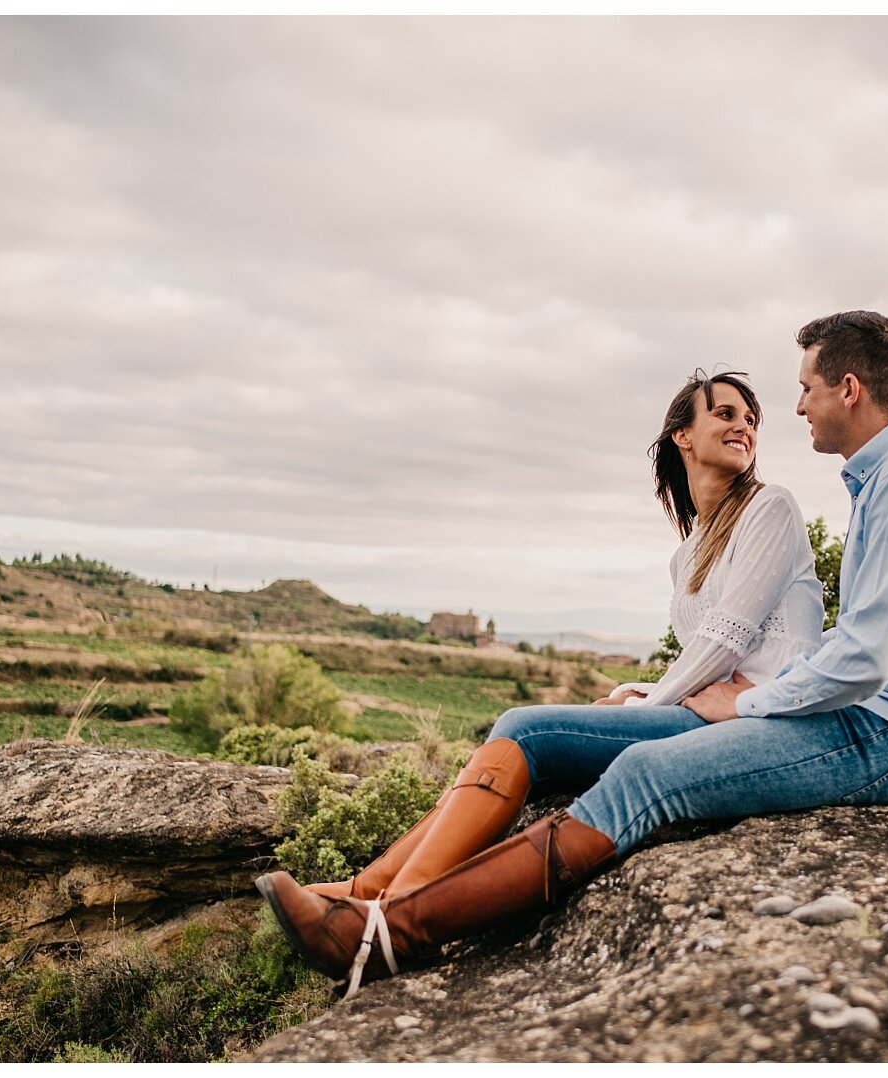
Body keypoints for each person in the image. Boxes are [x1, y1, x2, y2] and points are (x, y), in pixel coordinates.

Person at [261, 311, 888, 997]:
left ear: (849, 388)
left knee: (645, 773)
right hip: (882, 725)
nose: (796, 407)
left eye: (806, 387)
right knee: (572, 743)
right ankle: (371, 909)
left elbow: (867, 655)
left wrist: (741, 702)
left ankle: (389, 935)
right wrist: (666, 691)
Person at [257, 369, 825, 997]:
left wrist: (652, 702)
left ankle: (383, 916)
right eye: (724, 413)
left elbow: (728, 639)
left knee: (527, 727)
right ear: (682, 436)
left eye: (750, 418)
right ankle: (368, 894)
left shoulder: (770, 508)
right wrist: (638, 694)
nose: (743, 425)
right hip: (704, 706)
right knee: (527, 734)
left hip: (748, 716)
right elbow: (705, 651)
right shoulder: (688, 550)